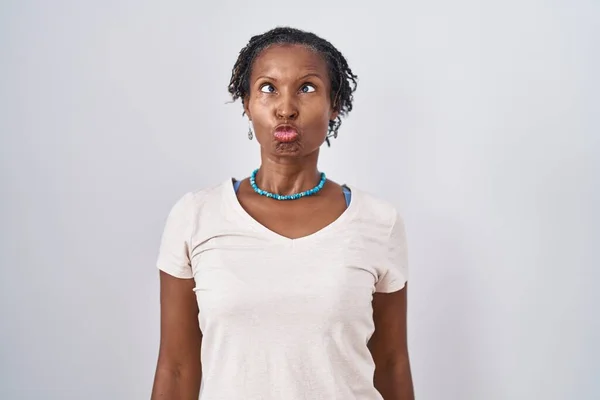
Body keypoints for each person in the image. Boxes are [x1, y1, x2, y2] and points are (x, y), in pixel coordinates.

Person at [150, 27, 414, 400]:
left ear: (334, 103)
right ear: (246, 102)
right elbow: (176, 368)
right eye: (268, 88)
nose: (286, 107)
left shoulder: (378, 222)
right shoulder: (197, 216)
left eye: (307, 88)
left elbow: (391, 363)